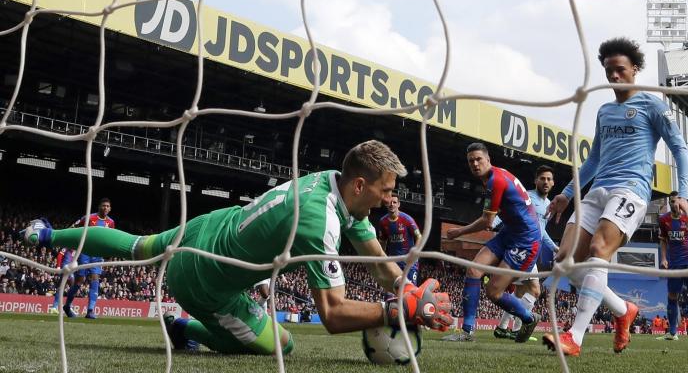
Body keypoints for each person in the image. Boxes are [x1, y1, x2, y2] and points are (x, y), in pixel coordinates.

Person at [24, 140, 453, 355]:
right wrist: (395, 310)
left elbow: (377, 262)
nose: (388, 199)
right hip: (205, 281)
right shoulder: (317, 219)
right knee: (281, 345)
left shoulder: (333, 184)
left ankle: (44, 234)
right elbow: (334, 313)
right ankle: (185, 328)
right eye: (385, 190)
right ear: (361, 184)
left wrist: (405, 288)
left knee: (136, 244)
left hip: (205, 228)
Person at [543, 37, 688, 357]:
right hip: (598, 191)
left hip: (631, 190)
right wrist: (567, 194)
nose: (614, 77)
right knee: (564, 262)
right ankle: (623, 310)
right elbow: (594, 159)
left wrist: (684, 193)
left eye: (620, 70)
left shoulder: (653, 105)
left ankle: (574, 336)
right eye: (609, 71)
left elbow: (680, 148)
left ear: (634, 69)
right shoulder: (605, 111)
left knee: (599, 249)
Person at [442, 142, 542, 343]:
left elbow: (487, 222)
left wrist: (460, 231)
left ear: (488, 160)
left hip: (525, 241)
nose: (475, 164)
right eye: (471, 161)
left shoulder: (495, 180)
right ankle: (467, 331)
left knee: (493, 292)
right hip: (509, 232)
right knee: (473, 270)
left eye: (479, 159)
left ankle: (529, 318)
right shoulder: (493, 176)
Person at [494, 165, 560, 341]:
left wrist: (553, 247)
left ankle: (502, 328)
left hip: (532, 251)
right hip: (520, 247)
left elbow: (540, 230)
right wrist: (491, 223)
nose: (545, 182)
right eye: (542, 178)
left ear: (553, 183)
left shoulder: (549, 205)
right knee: (535, 291)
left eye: (549, 179)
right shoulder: (527, 196)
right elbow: (505, 212)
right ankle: (519, 328)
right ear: (536, 180)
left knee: (520, 293)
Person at [657, 191, 688, 342]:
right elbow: (663, 240)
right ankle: (672, 333)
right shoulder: (663, 220)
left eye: (677, 201)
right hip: (674, 264)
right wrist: (664, 258)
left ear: (682, 202)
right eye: (671, 201)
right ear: (669, 203)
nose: (674, 204)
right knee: (672, 295)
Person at [60, 198, 116, 319]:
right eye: (104, 205)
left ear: (110, 208)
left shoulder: (111, 223)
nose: (106, 208)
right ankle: (67, 306)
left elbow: (111, 238)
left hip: (98, 255)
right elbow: (73, 227)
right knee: (80, 280)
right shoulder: (89, 218)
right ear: (99, 206)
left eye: (108, 206)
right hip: (85, 252)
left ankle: (90, 310)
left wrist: (109, 252)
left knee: (95, 279)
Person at [377, 195, 422, 285]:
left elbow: (419, 237)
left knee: (410, 291)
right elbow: (382, 241)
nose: (392, 204)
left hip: (409, 262)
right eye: (390, 202)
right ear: (386, 204)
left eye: (394, 202)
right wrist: (381, 258)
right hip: (393, 261)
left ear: (398, 204)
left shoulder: (407, 219)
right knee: (392, 293)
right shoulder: (383, 222)